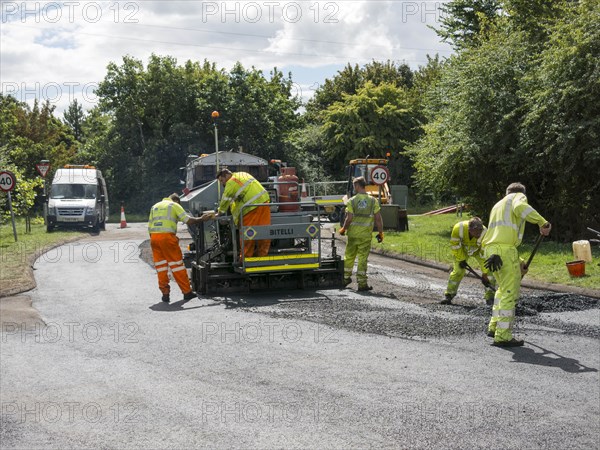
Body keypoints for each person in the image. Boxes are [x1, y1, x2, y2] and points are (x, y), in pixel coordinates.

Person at [483, 182, 551, 347]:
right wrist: (543, 223)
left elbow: (501, 238)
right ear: (522, 193)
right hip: (505, 251)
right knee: (509, 293)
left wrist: (519, 262)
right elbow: (521, 207)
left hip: (491, 250)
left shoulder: (498, 205)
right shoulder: (518, 197)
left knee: (501, 289)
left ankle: (494, 327)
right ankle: (503, 335)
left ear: (506, 192)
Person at [148, 193, 205, 303]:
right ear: (177, 201)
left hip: (154, 238)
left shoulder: (155, 206)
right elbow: (188, 220)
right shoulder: (174, 205)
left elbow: (150, 226)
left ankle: (165, 294)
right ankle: (187, 292)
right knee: (177, 265)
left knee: (161, 267)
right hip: (167, 238)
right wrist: (201, 219)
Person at [339, 176, 384, 292]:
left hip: (353, 235)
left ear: (358, 186)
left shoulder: (352, 201)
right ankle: (362, 283)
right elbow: (378, 219)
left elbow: (348, 219)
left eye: (354, 186)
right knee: (362, 259)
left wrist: (343, 229)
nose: (354, 188)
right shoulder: (373, 201)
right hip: (365, 236)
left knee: (349, 257)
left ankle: (345, 279)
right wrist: (380, 233)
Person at [215, 168, 271, 258]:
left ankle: (246, 258)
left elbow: (225, 199)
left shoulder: (231, 182)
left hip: (251, 208)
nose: (222, 183)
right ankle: (262, 255)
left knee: (248, 234)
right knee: (263, 231)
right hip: (264, 203)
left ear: (226, 175)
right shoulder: (242, 174)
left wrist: (219, 212)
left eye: (222, 180)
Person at [442, 217, 496, 305]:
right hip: (461, 250)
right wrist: (461, 259)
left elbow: (484, 254)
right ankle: (449, 295)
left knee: (490, 273)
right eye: (476, 231)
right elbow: (455, 245)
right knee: (459, 271)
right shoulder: (458, 228)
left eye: (480, 230)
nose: (479, 233)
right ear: (469, 229)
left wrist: (485, 273)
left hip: (478, 251)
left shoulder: (485, 233)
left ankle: (490, 297)